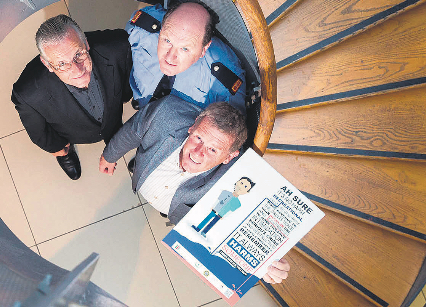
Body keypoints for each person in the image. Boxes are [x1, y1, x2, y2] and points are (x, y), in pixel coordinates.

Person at [98, 96, 289, 283]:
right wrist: (110, 155)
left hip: (176, 211)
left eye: (213, 150)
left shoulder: (238, 176)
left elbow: (248, 224)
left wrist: (268, 263)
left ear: (229, 157)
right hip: (145, 171)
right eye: (198, 138)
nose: (197, 153)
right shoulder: (164, 113)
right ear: (193, 125)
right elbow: (133, 131)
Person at [11, 15, 132, 180]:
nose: (77, 70)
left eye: (78, 54)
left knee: (114, 131)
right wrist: (59, 148)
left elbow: (127, 83)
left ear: (86, 44)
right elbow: (39, 133)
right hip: (73, 134)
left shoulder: (118, 46)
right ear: (47, 64)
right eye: (62, 64)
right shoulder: (28, 93)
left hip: (112, 119)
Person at [126, 0, 246, 113]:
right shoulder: (144, 28)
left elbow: (232, 120)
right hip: (138, 103)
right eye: (167, 41)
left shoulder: (222, 79)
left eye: (184, 49)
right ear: (162, 29)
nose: (170, 57)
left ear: (203, 49)